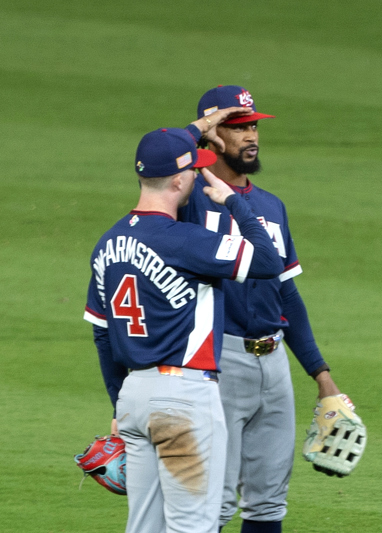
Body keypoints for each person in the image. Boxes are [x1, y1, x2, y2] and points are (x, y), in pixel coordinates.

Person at [83, 109, 285, 533]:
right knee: (193, 527)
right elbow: (268, 262)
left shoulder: (108, 243)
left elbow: (102, 336)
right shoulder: (187, 241)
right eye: (194, 171)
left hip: (134, 399)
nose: (198, 176)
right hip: (184, 400)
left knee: (144, 527)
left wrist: (119, 403)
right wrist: (233, 201)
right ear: (178, 182)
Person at [179, 85, 347, 533]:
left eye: (253, 125)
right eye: (237, 127)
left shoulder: (271, 206)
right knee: (213, 504)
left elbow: (286, 295)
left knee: (269, 503)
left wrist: (322, 377)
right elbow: (162, 155)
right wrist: (194, 134)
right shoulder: (187, 199)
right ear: (213, 134)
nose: (251, 135)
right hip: (217, 364)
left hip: (273, 366)